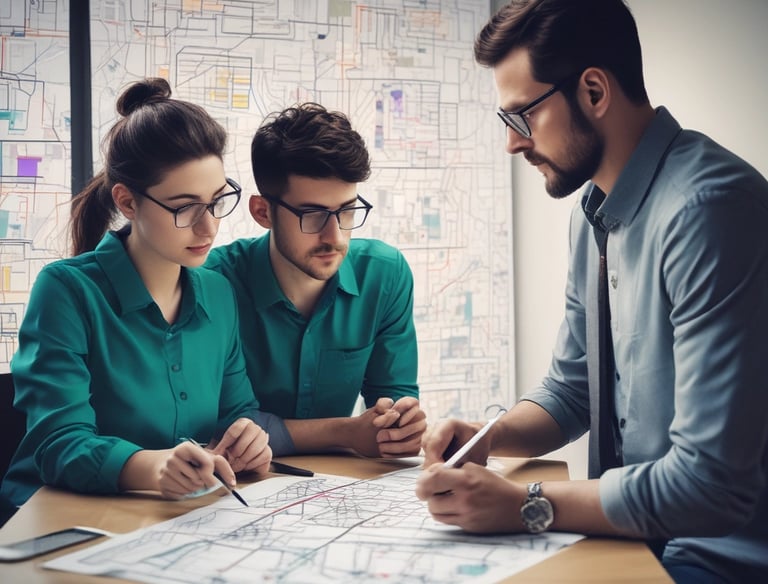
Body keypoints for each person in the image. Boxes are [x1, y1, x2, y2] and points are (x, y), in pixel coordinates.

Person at [415, 1, 768, 583]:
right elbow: (573, 387)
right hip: (629, 541)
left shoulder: (710, 213)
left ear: (595, 92)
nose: (511, 144)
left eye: (521, 117)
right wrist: (488, 437)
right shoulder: (592, 210)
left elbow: (711, 486)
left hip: (714, 556)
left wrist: (527, 503)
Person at [0, 78, 275, 509]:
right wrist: (155, 468)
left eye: (217, 200)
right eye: (185, 208)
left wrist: (248, 438)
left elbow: (239, 411)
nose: (209, 227)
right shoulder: (66, 291)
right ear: (128, 203)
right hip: (57, 518)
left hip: (179, 514)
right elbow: (57, 444)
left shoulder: (219, 292)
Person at [205, 103, 426, 458]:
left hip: (341, 488)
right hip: (239, 486)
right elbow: (220, 424)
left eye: (347, 210)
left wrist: (399, 426)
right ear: (263, 212)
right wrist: (346, 432)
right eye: (312, 214)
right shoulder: (212, 284)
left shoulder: (385, 274)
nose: (334, 236)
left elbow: (393, 398)